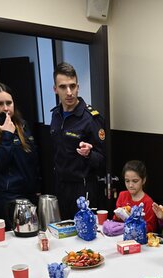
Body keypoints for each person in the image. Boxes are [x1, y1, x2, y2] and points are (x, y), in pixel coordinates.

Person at [49, 62, 106, 220]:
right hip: (61, 186)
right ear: (55, 89)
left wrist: (89, 154)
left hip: (83, 186)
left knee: (84, 234)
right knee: (64, 234)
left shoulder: (91, 118)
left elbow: (102, 159)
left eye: (72, 86)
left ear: (78, 87)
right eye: (63, 87)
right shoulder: (55, 115)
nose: (69, 92)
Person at [0, 82, 41, 222]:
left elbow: (34, 160)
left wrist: (37, 187)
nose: (6, 108)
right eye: (0, 104)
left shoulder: (23, 126)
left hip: (30, 193)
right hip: (9, 196)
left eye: (9, 103)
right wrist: (7, 135)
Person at [115, 160, 157, 233]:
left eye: (135, 181)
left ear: (143, 180)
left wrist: (136, 223)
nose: (130, 185)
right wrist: (118, 215)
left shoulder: (148, 202)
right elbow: (116, 220)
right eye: (127, 181)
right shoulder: (122, 195)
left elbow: (150, 228)